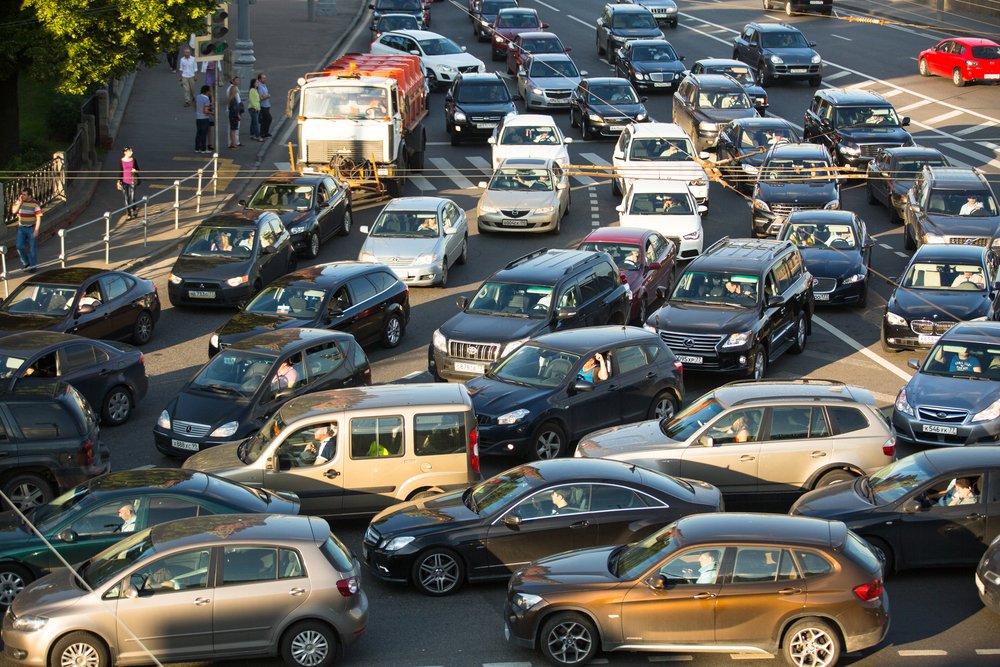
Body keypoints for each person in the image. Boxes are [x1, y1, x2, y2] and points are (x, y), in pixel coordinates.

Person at [10, 188, 42, 272]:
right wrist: (20, 203)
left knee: (32, 249)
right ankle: (26, 263)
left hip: (31, 228)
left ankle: (33, 267)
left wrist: (36, 230)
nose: (22, 196)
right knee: (19, 246)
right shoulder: (19, 201)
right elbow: (13, 211)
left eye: (24, 194)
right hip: (21, 228)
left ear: (29, 195)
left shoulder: (35, 204)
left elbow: (38, 218)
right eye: (22, 194)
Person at [117, 146, 141, 219]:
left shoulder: (134, 160)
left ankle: (134, 209)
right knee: (126, 198)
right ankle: (129, 214)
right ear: (125, 152)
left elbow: (138, 169)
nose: (132, 152)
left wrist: (135, 170)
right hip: (124, 182)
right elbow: (120, 172)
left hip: (132, 181)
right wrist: (118, 182)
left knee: (132, 198)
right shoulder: (121, 160)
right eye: (130, 151)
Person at [195, 85, 214, 154]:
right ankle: (203, 149)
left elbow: (195, 103)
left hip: (198, 117)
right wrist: (212, 112)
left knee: (198, 133)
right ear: (207, 91)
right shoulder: (206, 99)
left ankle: (197, 148)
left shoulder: (198, 96)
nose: (210, 92)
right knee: (204, 134)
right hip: (204, 118)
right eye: (209, 91)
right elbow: (205, 111)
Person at [227, 76, 243, 149]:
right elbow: (234, 107)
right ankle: (233, 144)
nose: (238, 81)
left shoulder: (233, 89)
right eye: (236, 80)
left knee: (235, 129)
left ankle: (235, 142)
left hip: (233, 112)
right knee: (233, 129)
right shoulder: (231, 90)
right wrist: (238, 114)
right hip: (234, 113)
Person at [256, 73, 272, 138]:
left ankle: (265, 133)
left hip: (267, 105)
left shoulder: (264, 85)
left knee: (265, 120)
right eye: (263, 78)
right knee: (268, 119)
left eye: (265, 78)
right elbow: (261, 98)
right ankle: (263, 133)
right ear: (259, 79)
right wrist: (267, 96)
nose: (265, 79)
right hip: (263, 106)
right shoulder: (259, 86)